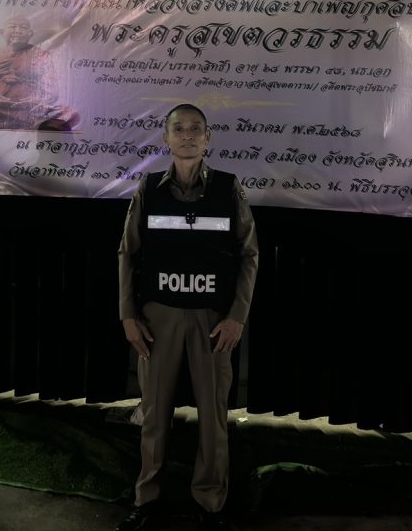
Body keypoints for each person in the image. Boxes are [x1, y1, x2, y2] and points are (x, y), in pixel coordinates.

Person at [115, 104, 259, 531]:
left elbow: (249, 255)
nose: (188, 135)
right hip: (157, 320)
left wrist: (237, 316)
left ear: (207, 138)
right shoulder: (148, 189)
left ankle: (210, 503)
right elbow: (128, 254)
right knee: (154, 415)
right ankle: (147, 499)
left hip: (212, 321)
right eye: (179, 129)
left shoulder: (228, 188)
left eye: (196, 129)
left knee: (213, 419)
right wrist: (127, 314)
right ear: (167, 138)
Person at [0, 15, 80, 131]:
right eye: (12, 27)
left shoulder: (41, 55)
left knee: (69, 113)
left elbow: (52, 90)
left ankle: (17, 120)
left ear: (30, 34)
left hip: (27, 108)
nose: (17, 31)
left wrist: (34, 101)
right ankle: (22, 122)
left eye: (23, 28)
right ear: (2, 32)